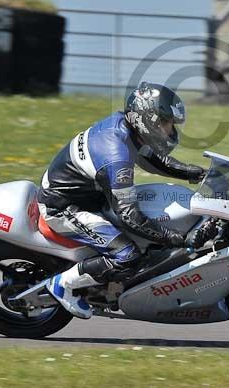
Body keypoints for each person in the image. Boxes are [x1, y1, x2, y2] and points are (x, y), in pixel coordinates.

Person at [38, 82, 212, 319]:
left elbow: (154, 160)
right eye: (165, 123)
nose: (170, 130)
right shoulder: (115, 154)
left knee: (149, 235)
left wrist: (200, 174)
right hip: (64, 207)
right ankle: (63, 284)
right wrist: (177, 239)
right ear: (146, 119)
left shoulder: (127, 129)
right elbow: (130, 216)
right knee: (127, 256)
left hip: (91, 196)